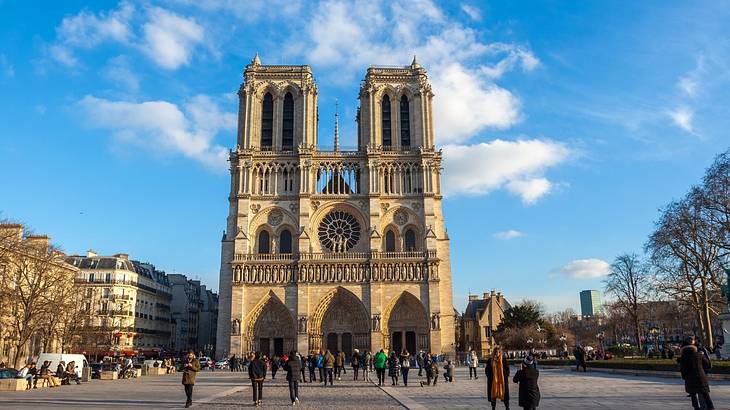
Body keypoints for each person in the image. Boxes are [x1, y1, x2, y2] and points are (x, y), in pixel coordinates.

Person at [680, 337, 715, 410]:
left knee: (693, 395)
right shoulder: (699, 354)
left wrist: (684, 377)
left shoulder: (683, 357)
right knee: (705, 394)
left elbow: (683, 369)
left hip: (689, 378)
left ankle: (696, 408)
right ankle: (711, 407)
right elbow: (708, 364)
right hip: (701, 376)